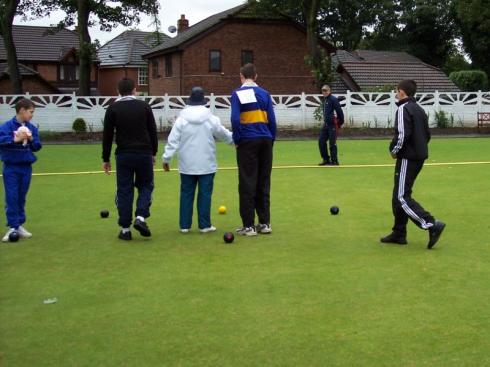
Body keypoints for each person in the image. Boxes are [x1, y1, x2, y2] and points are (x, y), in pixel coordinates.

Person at [381, 79, 445, 249]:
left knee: (402, 196)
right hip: (419, 157)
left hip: (407, 158)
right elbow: (427, 134)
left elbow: (402, 135)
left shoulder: (403, 109)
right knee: (398, 195)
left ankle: (431, 224)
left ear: (402, 92)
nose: (395, 94)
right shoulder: (419, 109)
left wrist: (394, 151)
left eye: (396, 91)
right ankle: (399, 233)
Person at [162, 87, 234, 233]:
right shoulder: (211, 119)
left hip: (187, 164)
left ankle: (184, 226)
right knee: (205, 194)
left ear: (190, 100)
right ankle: (204, 225)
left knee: (186, 193)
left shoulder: (181, 120)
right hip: (207, 163)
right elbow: (224, 135)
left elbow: (173, 141)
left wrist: (166, 158)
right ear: (204, 101)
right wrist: (237, 141)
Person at [102, 78, 158, 241]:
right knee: (146, 186)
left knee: (124, 190)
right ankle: (140, 217)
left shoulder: (113, 108)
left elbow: (107, 135)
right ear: (135, 90)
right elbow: (152, 131)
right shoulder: (144, 106)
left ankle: (125, 229)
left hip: (124, 154)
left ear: (118, 91)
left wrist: (106, 158)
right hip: (144, 153)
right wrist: (153, 152)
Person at [231, 63, 276, 236]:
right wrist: (271, 139)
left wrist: (237, 139)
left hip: (248, 141)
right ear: (256, 76)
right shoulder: (265, 93)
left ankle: (249, 226)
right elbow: (272, 120)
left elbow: (235, 120)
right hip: (265, 140)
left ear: (241, 76)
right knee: (263, 181)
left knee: (247, 182)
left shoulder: (237, 93)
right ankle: (264, 223)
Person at [0, 98, 42, 242]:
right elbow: (1, 140)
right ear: (22, 110)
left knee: (21, 196)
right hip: (11, 167)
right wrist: (15, 139)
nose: (32, 115)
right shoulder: (6, 126)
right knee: (11, 196)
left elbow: (37, 146)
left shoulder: (32, 128)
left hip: (26, 167)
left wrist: (30, 139)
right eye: (31, 112)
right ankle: (12, 226)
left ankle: (19, 225)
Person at [318, 85, 344, 166]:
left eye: (326, 90)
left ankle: (335, 161)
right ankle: (326, 159)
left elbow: (339, 111)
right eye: (323, 91)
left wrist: (340, 122)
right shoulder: (325, 100)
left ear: (329, 91)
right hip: (326, 125)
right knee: (321, 141)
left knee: (332, 143)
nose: (324, 92)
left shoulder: (333, 99)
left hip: (332, 125)